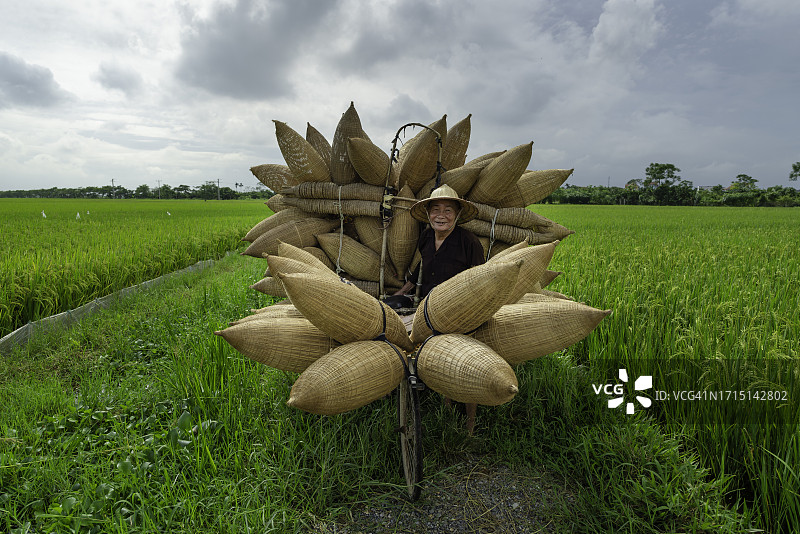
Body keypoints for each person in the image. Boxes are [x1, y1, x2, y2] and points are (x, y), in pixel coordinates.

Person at [394, 184, 484, 433]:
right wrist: (403, 291)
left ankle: (469, 425)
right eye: (435, 210)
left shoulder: (469, 242)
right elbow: (420, 268)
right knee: (431, 355)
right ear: (428, 214)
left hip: (458, 312)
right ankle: (445, 405)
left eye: (447, 210)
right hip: (427, 309)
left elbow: (480, 280)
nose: (441, 216)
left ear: (457, 215)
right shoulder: (426, 237)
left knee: (465, 362)